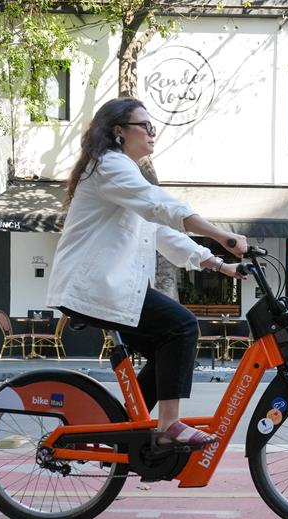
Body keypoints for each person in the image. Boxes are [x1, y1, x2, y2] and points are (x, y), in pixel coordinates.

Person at [47, 97, 247, 446]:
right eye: (147, 126)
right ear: (119, 131)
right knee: (182, 326)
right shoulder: (108, 165)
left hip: (114, 288)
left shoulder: (123, 172)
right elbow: (160, 206)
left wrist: (218, 264)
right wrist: (220, 233)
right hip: (98, 287)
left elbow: (163, 234)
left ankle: (121, 427)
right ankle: (168, 426)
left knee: (166, 348)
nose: (153, 134)